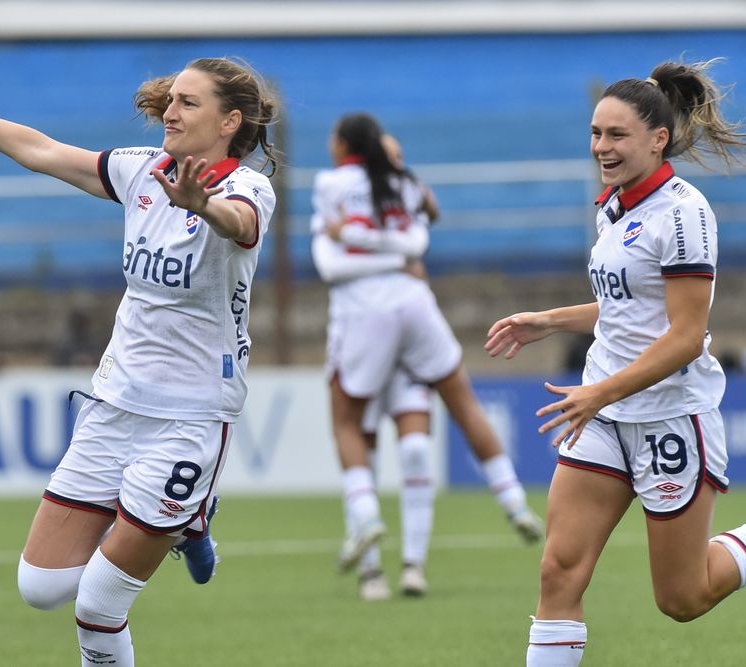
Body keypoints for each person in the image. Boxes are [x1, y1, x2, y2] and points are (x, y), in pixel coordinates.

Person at [0, 53, 277, 666]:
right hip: (113, 403)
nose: (171, 111)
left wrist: (199, 204)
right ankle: (192, 524)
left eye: (189, 102)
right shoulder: (141, 172)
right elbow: (40, 149)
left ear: (230, 120)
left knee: (100, 606)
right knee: (40, 587)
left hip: (191, 418)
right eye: (172, 99)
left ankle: (189, 514)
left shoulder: (246, 187)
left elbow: (237, 223)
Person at [485, 59, 746, 666]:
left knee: (682, 597)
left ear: (659, 139)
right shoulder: (613, 208)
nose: (602, 147)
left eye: (617, 135)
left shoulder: (684, 213)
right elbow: (625, 310)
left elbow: (684, 337)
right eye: (597, 134)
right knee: (558, 571)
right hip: (602, 415)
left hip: (670, 417)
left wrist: (599, 393)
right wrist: (548, 320)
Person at [310, 114, 543, 601]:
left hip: (363, 315)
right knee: (457, 403)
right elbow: (417, 242)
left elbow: (329, 263)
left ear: (344, 145)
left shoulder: (334, 183)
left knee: (353, 427)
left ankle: (370, 533)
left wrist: (353, 239)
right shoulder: (406, 185)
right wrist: (396, 255)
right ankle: (512, 500)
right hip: (414, 305)